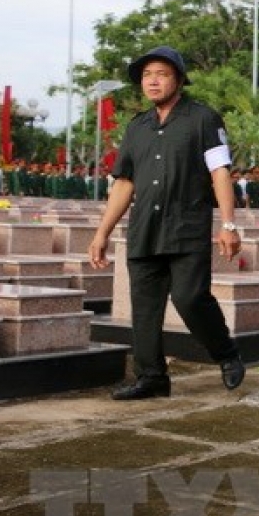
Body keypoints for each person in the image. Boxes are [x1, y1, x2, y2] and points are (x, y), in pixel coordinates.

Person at [88, 46, 244, 400]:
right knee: (144, 308)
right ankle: (152, 377)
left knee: (189, 298)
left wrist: (229, 224)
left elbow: (220, 171)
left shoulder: (204, 119)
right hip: (145, 228)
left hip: (187, 226)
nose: (153, 81)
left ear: (178, 79)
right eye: (146, 75)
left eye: (161, 73)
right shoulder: (137, 127)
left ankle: (226, 353)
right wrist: (102, 233)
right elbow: (124, 183)